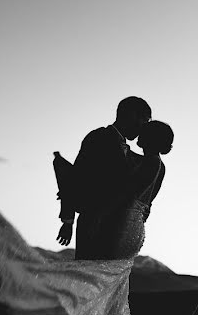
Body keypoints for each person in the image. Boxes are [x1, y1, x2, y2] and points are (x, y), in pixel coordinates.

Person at [0, 120, 175, 315]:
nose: (139, 133)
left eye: (145, 131)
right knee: (112, 288)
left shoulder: (148, 162)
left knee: (99, 283)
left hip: (121, 225)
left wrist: (99, 215)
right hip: (134, 227)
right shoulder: (156, 165)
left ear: (151, 139)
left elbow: (126, 194)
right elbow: (145, 202)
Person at [56, 96, 153, 259]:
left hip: (114, 228)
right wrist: (68, 221)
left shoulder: (127, 151)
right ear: (131, 115)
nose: (143, 128)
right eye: (144, 121)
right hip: (93, 222)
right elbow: (75, 179)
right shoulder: (98, 138)